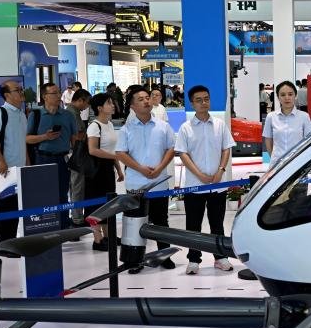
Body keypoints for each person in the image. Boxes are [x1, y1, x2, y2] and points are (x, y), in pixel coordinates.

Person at [115, 84, 177, 272]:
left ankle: (164, 255)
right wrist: (140, 169)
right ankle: (134, 260)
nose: (146, 101)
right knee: (134, 222)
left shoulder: (163, 126)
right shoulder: (126, 129)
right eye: (140, 99)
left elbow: (171, 148)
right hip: (136, 183)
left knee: (161, 221)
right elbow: (121, 153)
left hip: (159, 182)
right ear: (132, 106)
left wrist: (160, 168)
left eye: (147, 98)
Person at [176, 85, 236, 274]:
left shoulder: (219, 124)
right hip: (195, 185)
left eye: (206, 99)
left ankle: (221, 257)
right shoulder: (185, 128)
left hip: (217, 185)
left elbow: (226, 148)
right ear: (192, 103)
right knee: (193, 225)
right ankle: (193, 260)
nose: (204, 103)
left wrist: (221, 170)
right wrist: (199, 174)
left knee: (217, 223)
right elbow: (183, 154)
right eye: (199, 100)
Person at [26, 82, 79, 229]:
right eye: (54, 93)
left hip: (63, 159)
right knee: (43, 194)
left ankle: (64, 225)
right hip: (42, 158)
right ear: (45, 96)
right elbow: (27, 139)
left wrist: (75, 158)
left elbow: (74, 138)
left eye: (59, 92)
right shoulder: (36, 115)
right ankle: (46, 226)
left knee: (63, 194)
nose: (58, 96)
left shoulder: (68, 115)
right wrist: (45, 137)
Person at [0, 80, 29, 244]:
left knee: (15, 207)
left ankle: (12, 242)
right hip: (3, 170)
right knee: (5, 208)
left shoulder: (21, 114)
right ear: (7, 95)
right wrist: (1, 160)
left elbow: (23, 141)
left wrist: (27, 163)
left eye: (21, 89)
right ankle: (5, 245)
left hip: (18, 169)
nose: (21, 92)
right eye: (17, 90)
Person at [85, 93, 124, 251]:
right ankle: (97, 239)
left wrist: (118, 168)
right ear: (99, 108)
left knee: (108, 203)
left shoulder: (109, 124)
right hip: (96, 170)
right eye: (109, 103)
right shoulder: (94, 126)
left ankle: (109, 236)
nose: (113, 105)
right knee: (95, 204)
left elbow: (111, 149)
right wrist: (115, 157)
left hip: (107, 168)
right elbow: (93, 150)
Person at [263, 81, 311, 167]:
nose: (287, 98)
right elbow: (268, 140)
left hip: (297, 163)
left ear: (295, 96)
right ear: (278, 97)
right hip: (276, 164)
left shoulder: (304, 116)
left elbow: (308, 141)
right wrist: (274, 159)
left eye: (290, 94)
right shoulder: (271, 117)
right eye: (282, 95)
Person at [66, 88, 91, 225]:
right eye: (87, 103)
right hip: (76, 153)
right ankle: (77, 218)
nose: (87, 106)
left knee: (75, 186)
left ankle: (76, 216)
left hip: (74, 153)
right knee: (77, 187)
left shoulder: (73, 112)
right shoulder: (72, 113)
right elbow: (77, 135)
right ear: (80, 100)